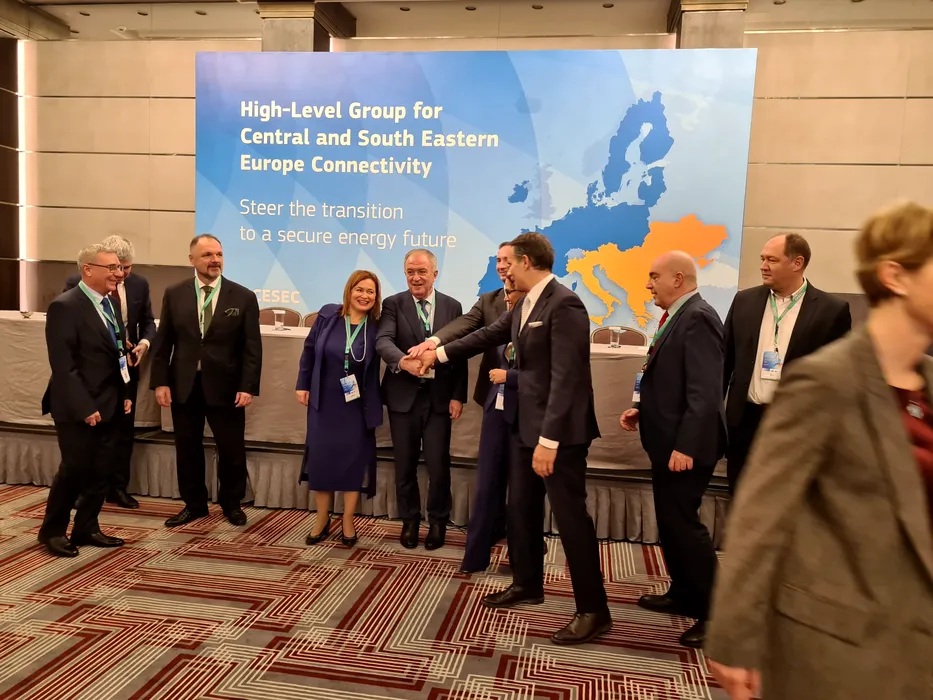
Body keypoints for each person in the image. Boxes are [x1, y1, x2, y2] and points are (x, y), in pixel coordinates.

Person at [706, 201, 933, 700]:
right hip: (838, 651)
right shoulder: (825, 381)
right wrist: (735, 637)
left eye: (772, 258)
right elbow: (759, 520)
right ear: (896, 276)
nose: (763, 265)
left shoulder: (923, 381)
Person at [419, 233, 610, 646]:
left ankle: (594, 610)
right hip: (526, 427)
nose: (504, 271)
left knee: (571, 520)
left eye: (509, 263)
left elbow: (567, 379)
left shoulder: (566, 304)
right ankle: (527, 583)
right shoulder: (525, 303)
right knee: (521, 508)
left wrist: (549, 441)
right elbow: (486, 335)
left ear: (526, 261)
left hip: (558, 435)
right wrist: (439, 353)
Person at [619, 251, 725, 648]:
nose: (648, 285)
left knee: (684, 525)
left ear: (678, 279)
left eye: (653, 277)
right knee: (671, 523)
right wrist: (642, 409)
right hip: (667, 443)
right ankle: (684, 592)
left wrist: (686, 446)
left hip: (686, 449)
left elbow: (705, 392)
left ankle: (715, 614)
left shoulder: (699, 317)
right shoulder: (677, 316)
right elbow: (671, 380)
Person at [408, 242, 514, 571]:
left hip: (529, 398)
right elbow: (467, 328)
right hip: (493, 396)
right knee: (491, 470)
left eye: (507, 260)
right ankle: (490, 531)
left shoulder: (543, 302)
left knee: (522, 475)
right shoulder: (489, 300)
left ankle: (524, 540)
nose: (501, 266)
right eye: (498, 260)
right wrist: (434, 342)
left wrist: (438, 354)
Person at [722, 233, 851, 494]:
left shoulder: (831, 310)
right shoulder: (744, 301)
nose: (763, 266)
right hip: (744, 422)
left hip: (797, 427)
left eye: (772, 260)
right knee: (740, 498)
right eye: (762, 259)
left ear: (797, 263)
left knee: (784, 500)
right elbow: (724, 362)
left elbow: (838, 381)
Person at [150, 234, 262, 528]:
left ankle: (232, 504)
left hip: (227, 387)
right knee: (187, 448)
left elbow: (252, 348)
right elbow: (163, 342)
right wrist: (160, 382)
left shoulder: (243, 296)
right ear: (192, 260)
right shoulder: (175, 293)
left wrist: (247, 386)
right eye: (208, 255)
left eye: (219, 254)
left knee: (231, 449)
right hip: (184, 385)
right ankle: (194, 505)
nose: (215, 260)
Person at [38, 243, 133, 557]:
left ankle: (87, 526)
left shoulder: (110, 303)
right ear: (88, 269)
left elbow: (117, 352)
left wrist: (125, 394)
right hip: (76, 406)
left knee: (102, 470)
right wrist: (85, 407)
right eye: (111, 268)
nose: (118, 274)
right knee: (75, 470)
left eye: (120, 268)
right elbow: (64, 365)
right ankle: (52, 531)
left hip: (110, 402)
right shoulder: (65, 306)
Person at [375, 249, 468, 551]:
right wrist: (403, 362)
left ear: (434, 274)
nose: (416, 278)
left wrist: (458, 396)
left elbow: (460, 353)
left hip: (439, 399)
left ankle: (438, 521)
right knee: (405, 465)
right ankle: (410, 520)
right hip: (403, 398)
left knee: (439, 466)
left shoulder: (453, 306)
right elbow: (383, 340)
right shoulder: (393, 304)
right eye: (410, 272)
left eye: (422, 272)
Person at [64, 235, 156, 509]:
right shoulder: (75, 286)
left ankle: (117, 487)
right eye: (116, 267)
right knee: (89, 435)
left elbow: (148, 322)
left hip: (126, 368)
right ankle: (85, 490)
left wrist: (143, 343)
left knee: (122, 431)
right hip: (92, 373)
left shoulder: (139, 284)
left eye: (126, 267)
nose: (121, 273)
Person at [296, 271, 383, 548]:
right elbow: (309, 351)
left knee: (352, 463)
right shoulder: (328, 315)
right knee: (321, 461)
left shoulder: (378, 326)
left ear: (376, 297)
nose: (364, 296)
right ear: (349, 290)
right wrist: (302, 384)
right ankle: (322, 518)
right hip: (324, 401)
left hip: (357, 405)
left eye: (370, 292)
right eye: (360, 289)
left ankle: (347, 519)